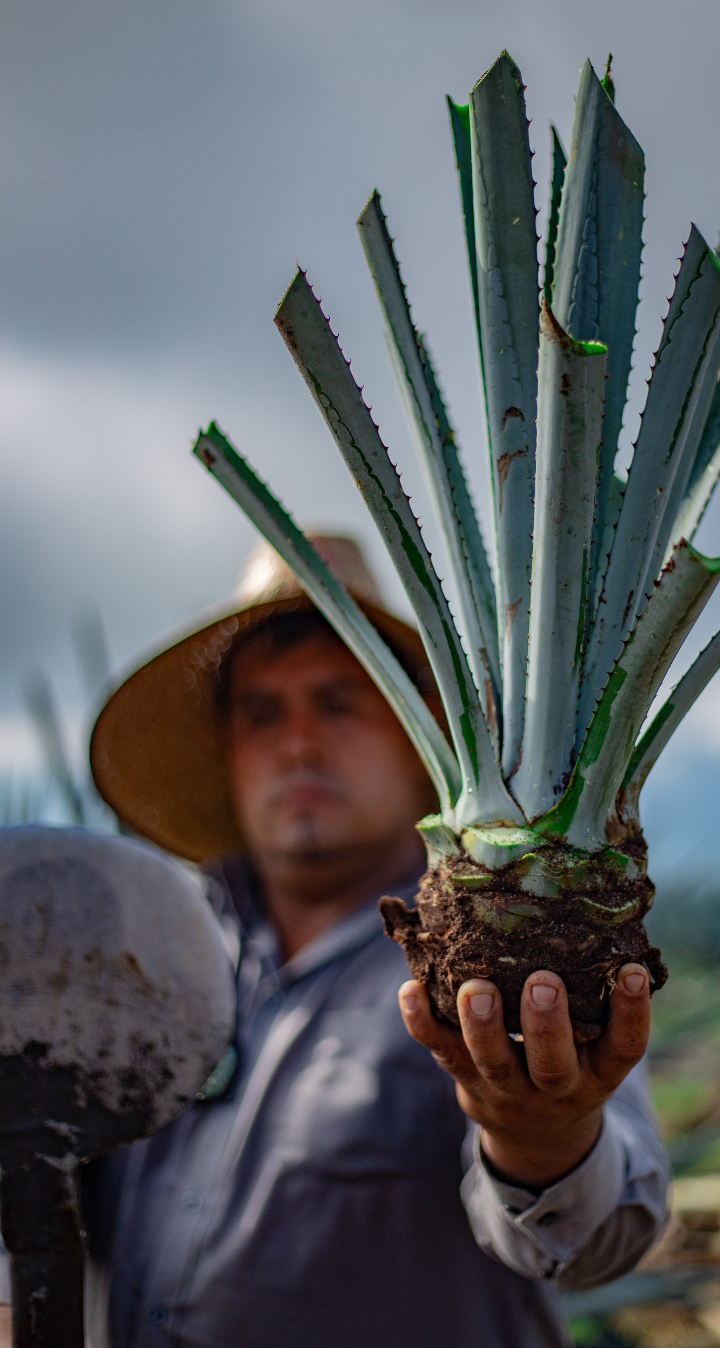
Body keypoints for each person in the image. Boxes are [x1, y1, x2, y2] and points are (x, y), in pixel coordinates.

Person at [0, 537, 669, 1347]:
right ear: (227, 753)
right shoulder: (143, 958)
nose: (298, 744)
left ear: (423, 739)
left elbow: (597, 1241)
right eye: (262, 713)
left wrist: (543, 1135)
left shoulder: (499, 953)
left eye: (338, 702)